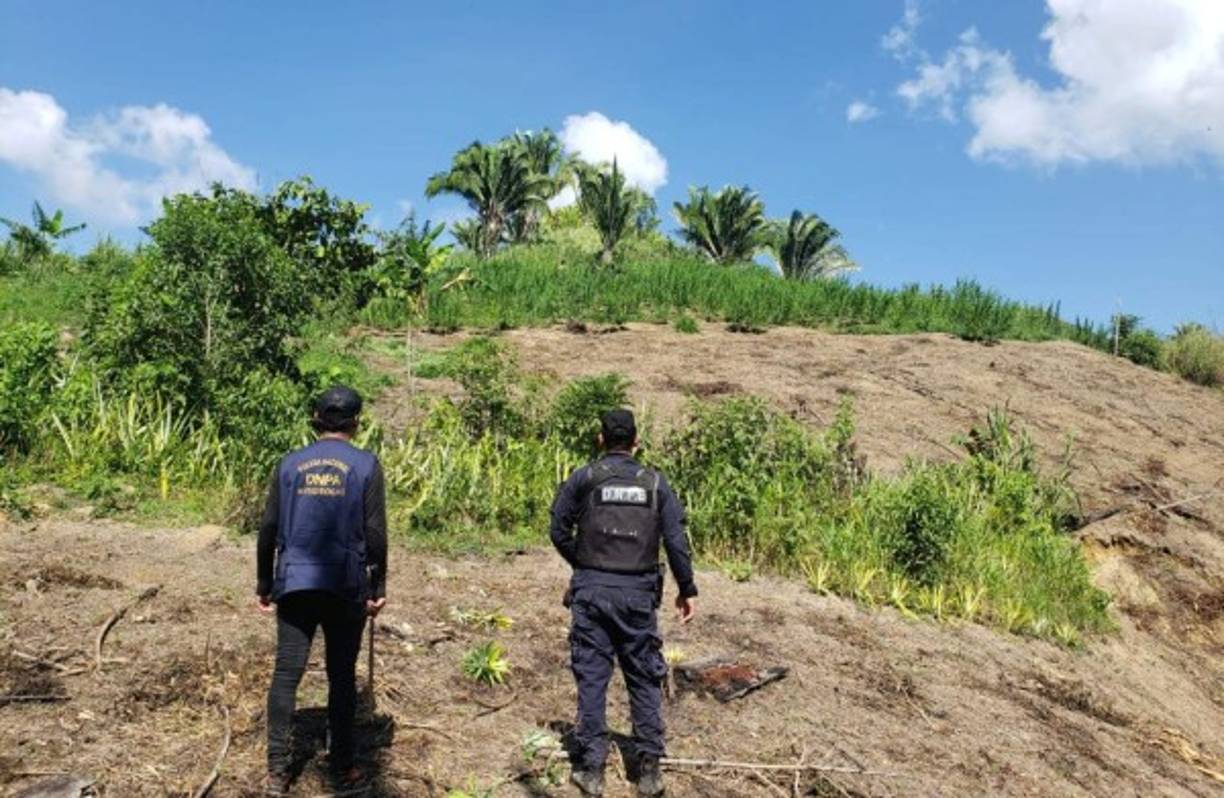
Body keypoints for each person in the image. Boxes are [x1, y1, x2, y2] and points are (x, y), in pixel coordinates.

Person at [550, 408, 698, 797]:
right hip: (637, 595)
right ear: (636, 441)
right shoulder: (655, 483)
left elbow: (557, 528)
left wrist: (582, 563)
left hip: (592, 593)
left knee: (592, 676)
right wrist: (687, 588)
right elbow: (677, 542)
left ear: (601, 440)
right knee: (644, 677)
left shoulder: (584, 477)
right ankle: (649, 772)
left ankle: (592, 770)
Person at [256, 386, 388, 796]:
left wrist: (264, 583)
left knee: (287, 673)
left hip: (295, 582)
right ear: (356, 421)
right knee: (341, 677)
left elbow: (268, 529)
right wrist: (377, 584)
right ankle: (343, 768)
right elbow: (376, 534)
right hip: (345, 585)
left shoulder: (291, 463)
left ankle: (277, 770)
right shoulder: (366, 465)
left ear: (316, 418)